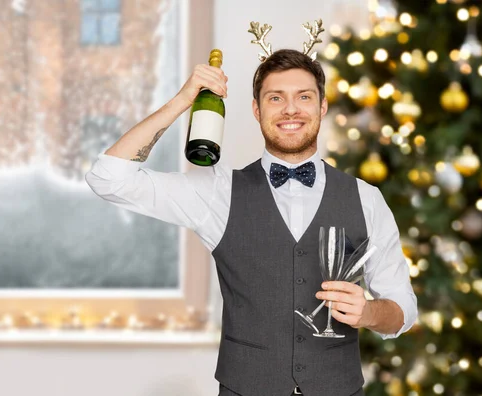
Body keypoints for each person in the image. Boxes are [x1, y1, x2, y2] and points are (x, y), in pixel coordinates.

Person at [86, 48, 417, 396]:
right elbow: (107, 179)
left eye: (304, 96)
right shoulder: (218, 192)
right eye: (276, 98)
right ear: (257, 111)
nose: (291, 109)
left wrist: (368, 313)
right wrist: (182, 101)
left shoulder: (366, 198)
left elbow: (402, 310)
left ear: (322, 106)